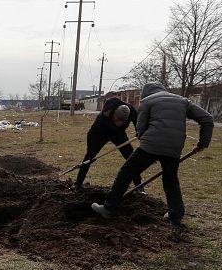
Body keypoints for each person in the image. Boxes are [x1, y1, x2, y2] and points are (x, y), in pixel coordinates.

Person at [91, 82, 213, 228]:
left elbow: (141, 128)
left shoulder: (147, 101)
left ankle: (108, 208)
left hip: (151, 144)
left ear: (145, 93)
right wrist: (203, 143)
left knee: (126, 172)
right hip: (174, 147)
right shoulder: (183, 101)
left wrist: (148, 146)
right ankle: (175, 216)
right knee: (170, 180)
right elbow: (207, 119)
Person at [72, 98, 142, 192]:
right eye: (117, 120)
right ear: (112, 114)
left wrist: (139, 132)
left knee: (130, 157)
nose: (118, 123)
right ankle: (78, 184)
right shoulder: (109, 108)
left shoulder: (132, 112)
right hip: (100, 132)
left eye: (121, 122)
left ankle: (139, 186)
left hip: (118, 134)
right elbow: (94, 133)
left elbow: (138, 124)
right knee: (89, 157)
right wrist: (92, 148)